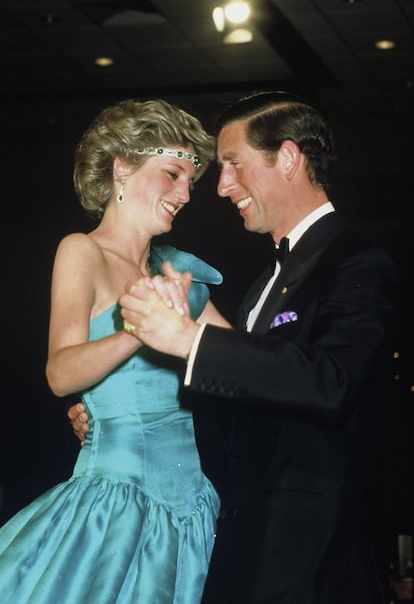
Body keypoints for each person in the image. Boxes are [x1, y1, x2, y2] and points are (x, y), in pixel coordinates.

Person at [106, 91, 396, 603]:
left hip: (311, 562)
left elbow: (330, 383)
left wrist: (190, 338)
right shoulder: (265, 280)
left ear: (287, 159)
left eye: (232, 165)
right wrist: (113, 410)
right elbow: (244, 400)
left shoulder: (358, 262)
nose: (220, 187)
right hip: (245, 548)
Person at [0, 98, 231, 603]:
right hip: (114, 509)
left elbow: (249, 367)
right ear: (122, 168)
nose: (185, 193)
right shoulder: (82, 251)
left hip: (192, 511)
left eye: (190, 181)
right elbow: (61, 374)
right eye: (172, 173)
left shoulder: (179, 274)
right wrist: (140, 329)